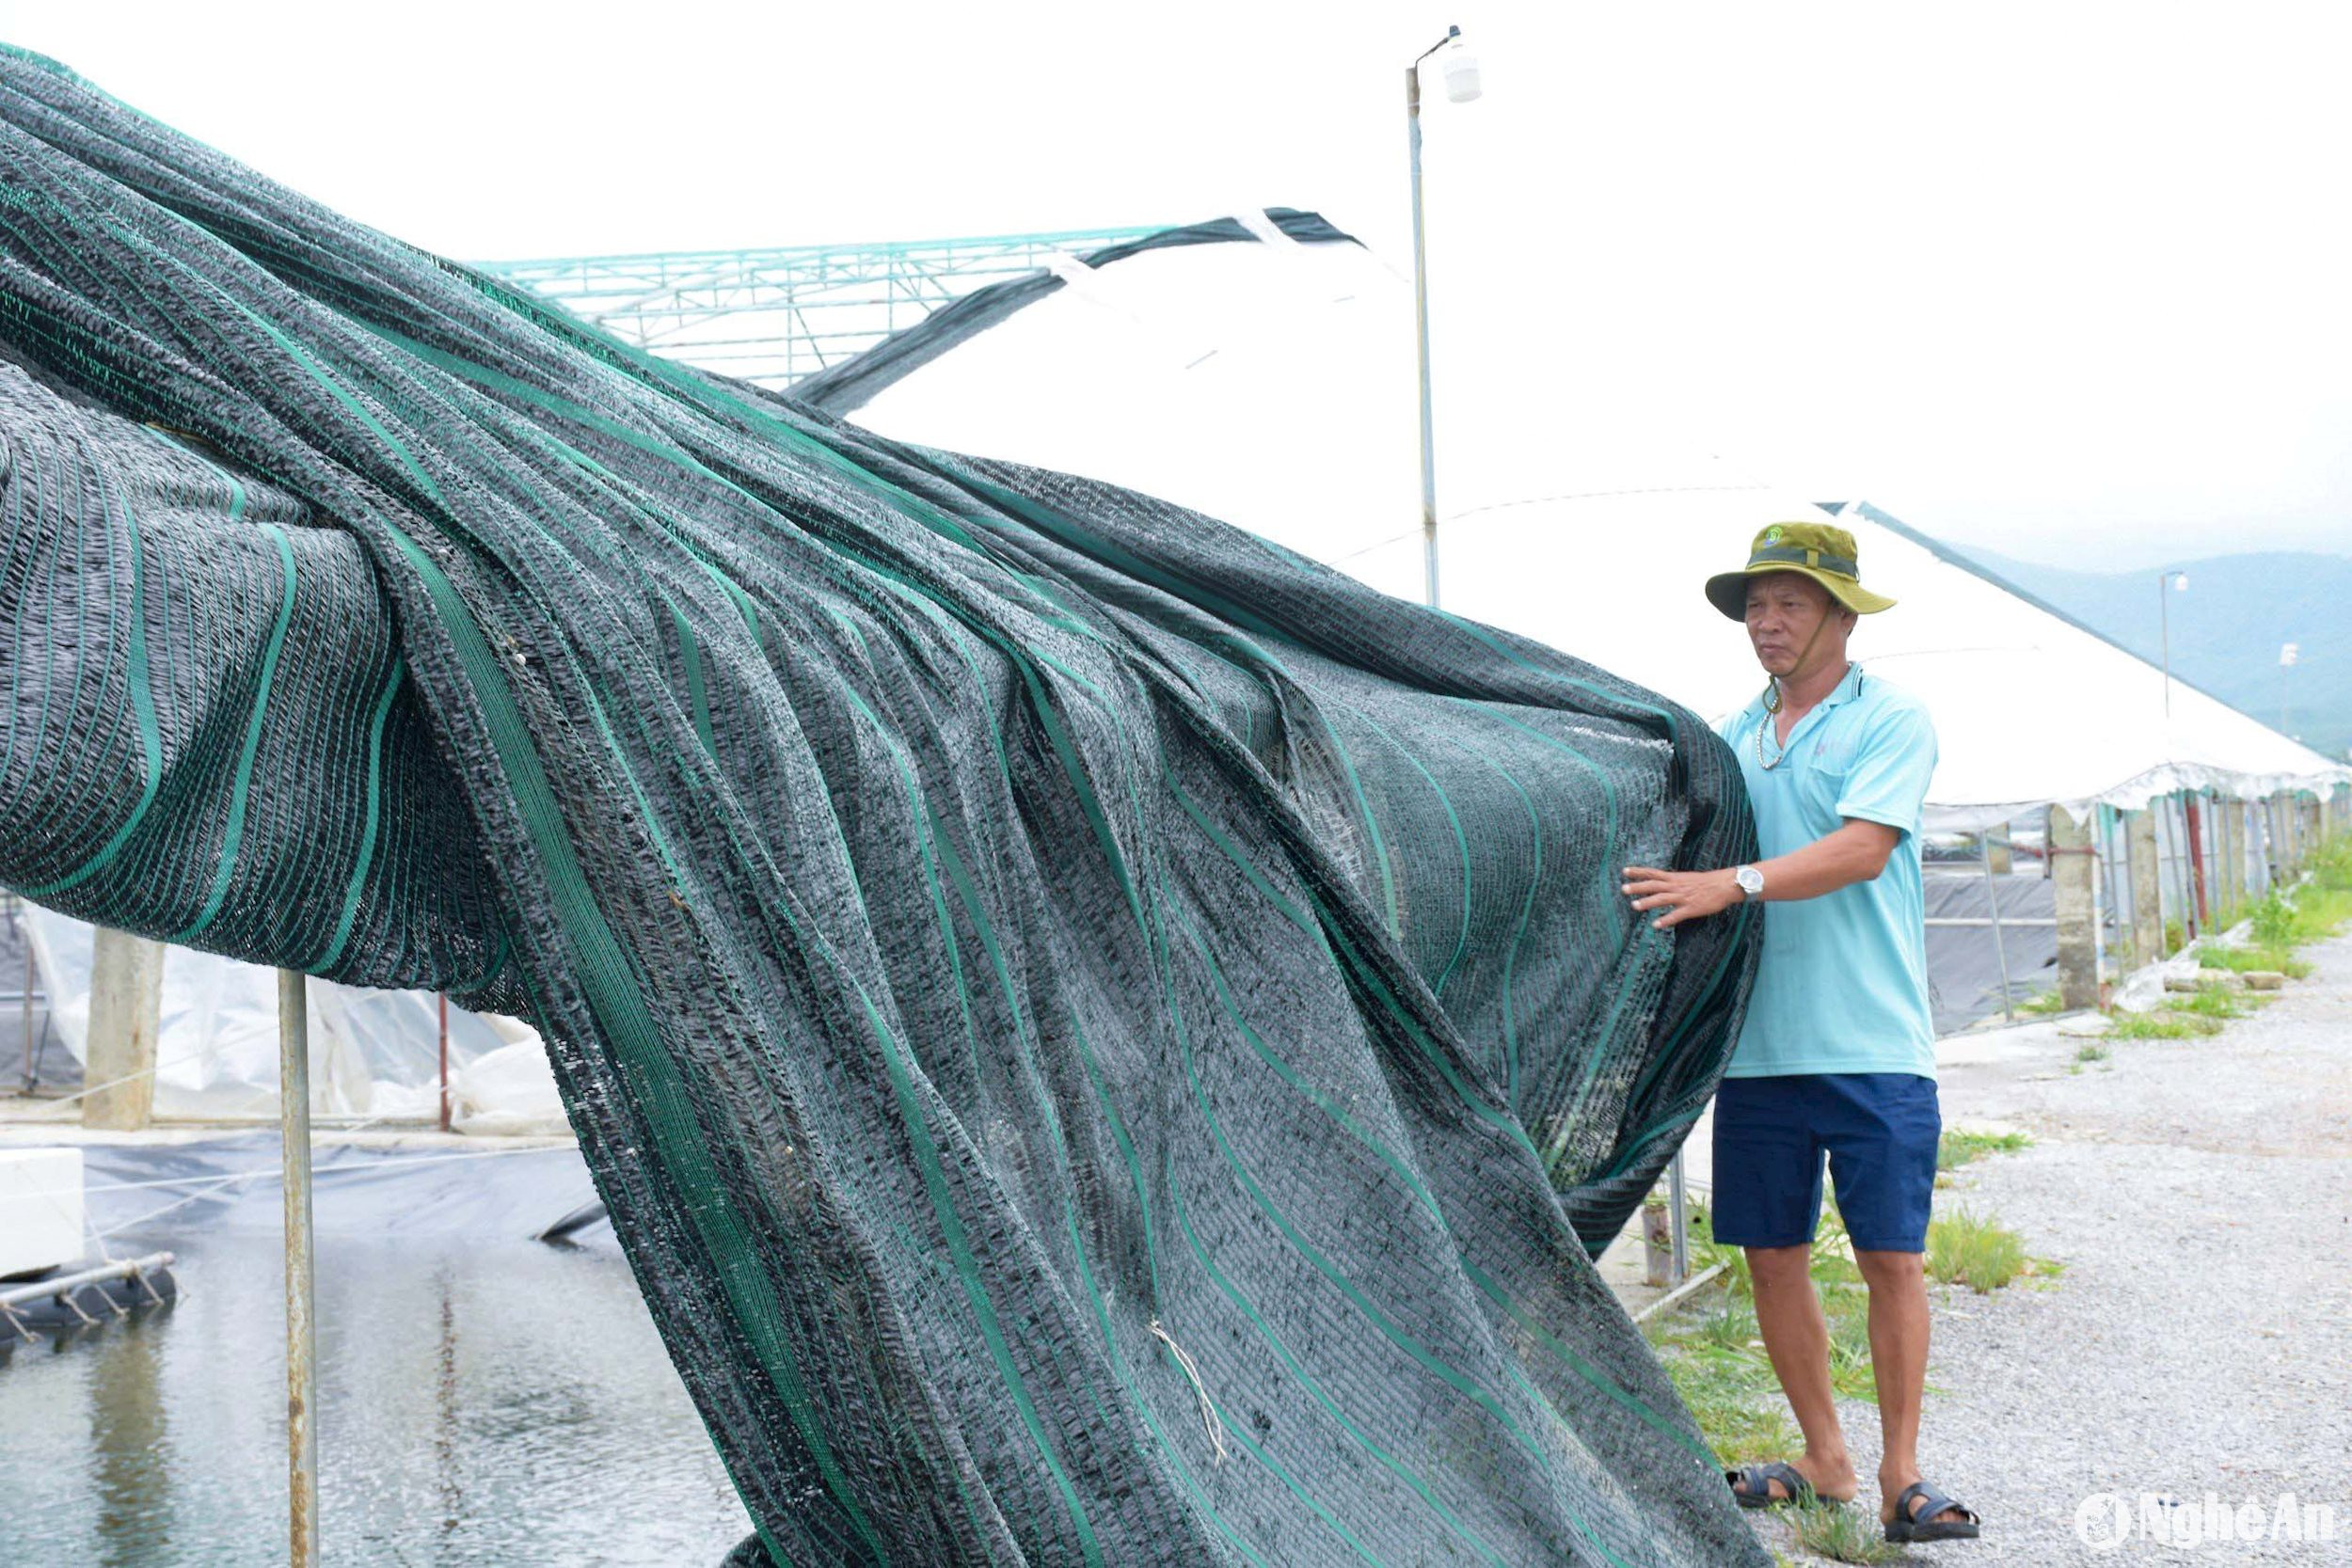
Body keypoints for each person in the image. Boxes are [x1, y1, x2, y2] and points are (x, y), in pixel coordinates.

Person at [1617, 522, 1981, 1545]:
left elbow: (1863, 849)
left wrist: (1725, 884)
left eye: (1788, 603)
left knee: (1890, 1257)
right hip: (1761, 1049)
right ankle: (1823, 1456)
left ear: (1839, 613)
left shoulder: (1889, 718)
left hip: (1872, 1043)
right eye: (1753, 606)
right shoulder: (1731, 734)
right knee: (1770, 1256)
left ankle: (1902, 1471)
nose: (1766, 623)